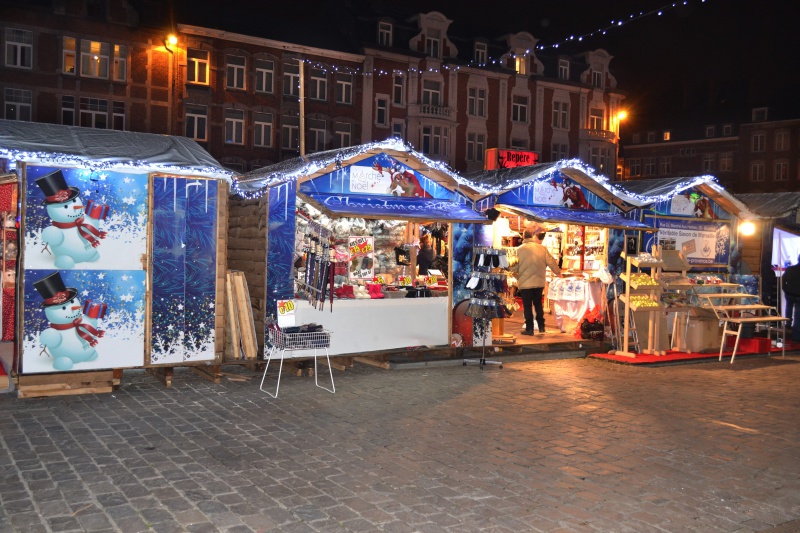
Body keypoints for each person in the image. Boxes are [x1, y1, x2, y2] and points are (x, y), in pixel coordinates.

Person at [515, 228, 562, 335]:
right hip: (539, 282)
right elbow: (551, 262)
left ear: (523, 237)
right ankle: (541, 326)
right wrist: (558, 273)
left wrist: (514, 274)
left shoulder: (519, 250)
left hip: (525, 283)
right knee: (538, 304)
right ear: (532, 236)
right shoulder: (542, 248)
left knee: (527, 306)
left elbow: (514, 266)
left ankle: (529, 328)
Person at [782, 255, 800, 340]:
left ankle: (788, 325)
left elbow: (783, 280)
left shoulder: (790, 269)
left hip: (789, 293)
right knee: (798, 317)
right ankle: (796, 337)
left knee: (788, 309)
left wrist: (785, 289)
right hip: (798, 296)